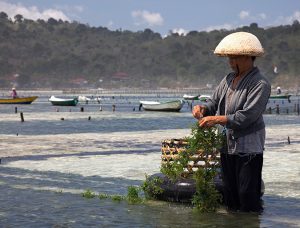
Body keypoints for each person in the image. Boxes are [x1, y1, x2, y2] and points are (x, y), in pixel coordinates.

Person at [192, 32, 271, 212]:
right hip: (227, 145)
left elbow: (247, 116)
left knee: (247, 195)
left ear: (247, 58)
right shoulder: (228, 79)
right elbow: (213, 102)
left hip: (248, 148)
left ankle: (251, 223)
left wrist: (217, 119)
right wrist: (202, 109)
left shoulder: (260, 83)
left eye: (233, 58)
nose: (230, 62)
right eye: (229, 58)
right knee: (230, 194)